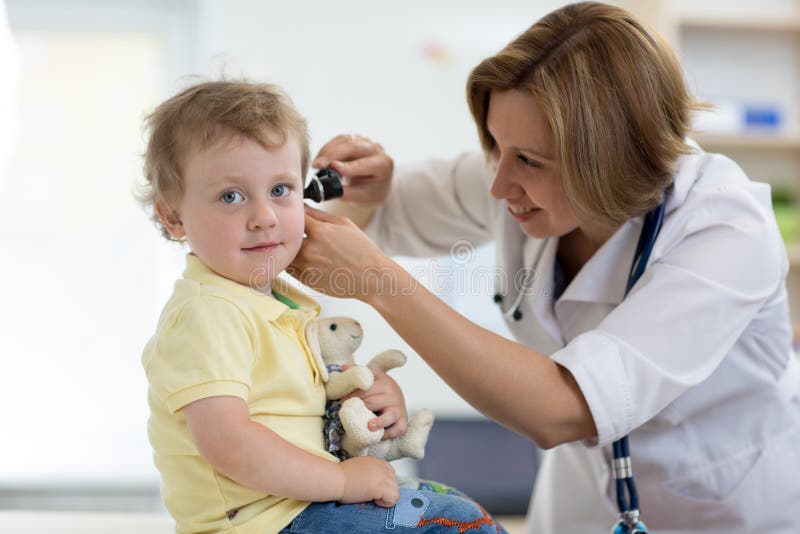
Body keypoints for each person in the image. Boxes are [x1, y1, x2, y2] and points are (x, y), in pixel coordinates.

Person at [290, 3, 800, 533]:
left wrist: (380, 284)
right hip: (578, 507)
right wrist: (360, 189)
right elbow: (370, 218)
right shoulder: (515, 178)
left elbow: (562, 409)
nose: (498, 185)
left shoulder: (725, 229)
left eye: (529, 161)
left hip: (720, 511)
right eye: (496, 147)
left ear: (611, 158)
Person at [136, 80, 507, 534]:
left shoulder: (286, 305)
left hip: (303, 508)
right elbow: (228, 442)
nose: (264, 216)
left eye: (280, 190)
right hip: (266, 522)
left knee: (454, 507)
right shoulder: (207, 313)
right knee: (456, 524)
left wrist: (369, 400)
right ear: (174, 217)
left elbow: (313, 413)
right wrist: (339, 480)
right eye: (231, 196)